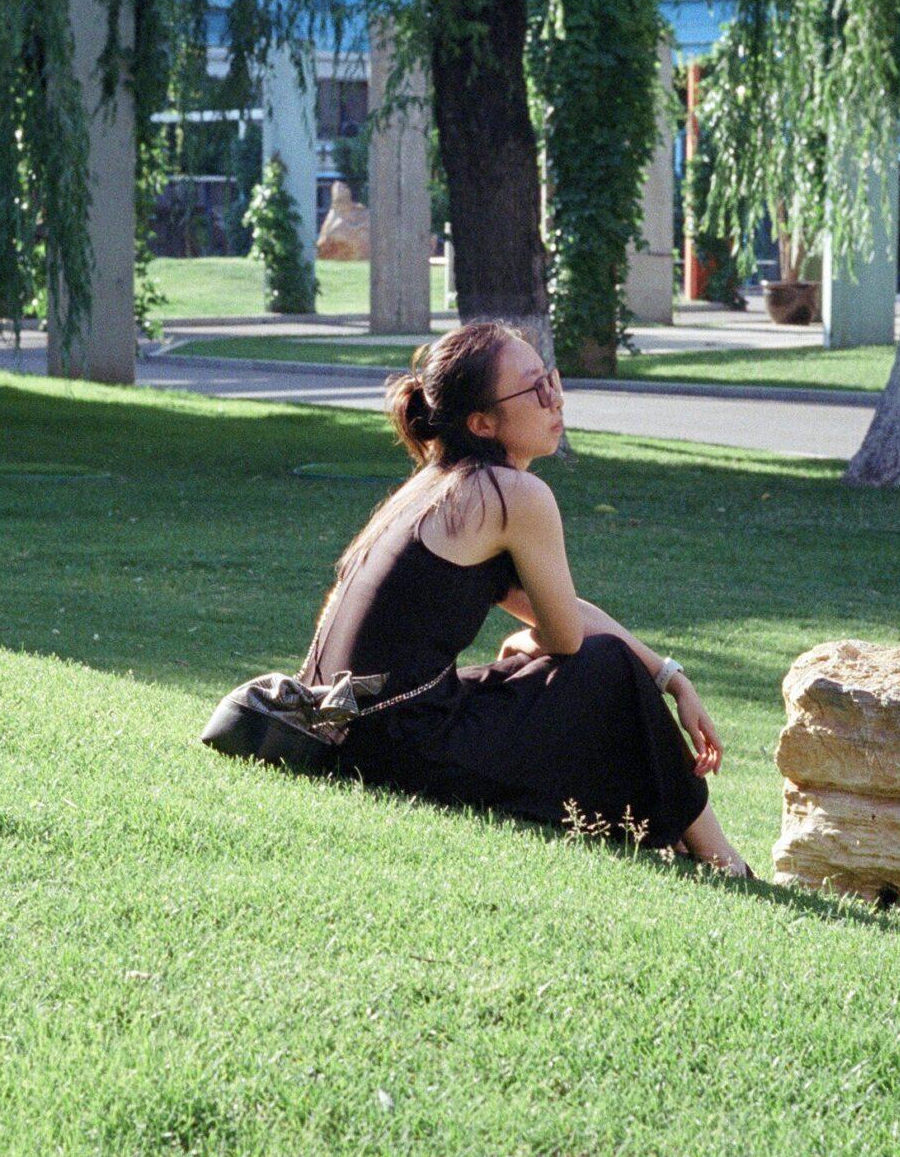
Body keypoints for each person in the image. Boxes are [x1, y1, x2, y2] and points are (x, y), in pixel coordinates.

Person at [301, 320, 754, 877]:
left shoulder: (439, 484)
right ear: (483, 422)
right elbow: (567, 637)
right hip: (400, 751)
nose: (554, 400)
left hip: (352, 735)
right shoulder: (511, 494)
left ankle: (678, 836)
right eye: (533, 390)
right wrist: (533, 640)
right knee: (606, 669)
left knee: (568, 672)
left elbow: (569, 613)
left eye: (551, 380)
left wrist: (670, 676)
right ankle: (722, 858)